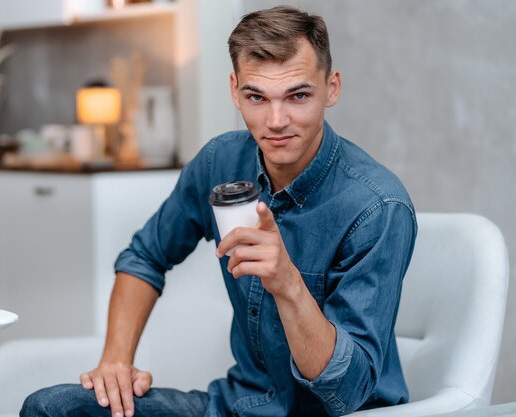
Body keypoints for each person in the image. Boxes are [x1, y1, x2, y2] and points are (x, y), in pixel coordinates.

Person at [21, 5, 417, 417]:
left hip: (335, 414)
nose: (276, 120)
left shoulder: (377, 207)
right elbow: (144, 256)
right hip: (235, 407)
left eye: (298, 96)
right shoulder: (220, 162)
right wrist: (116, 361)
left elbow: (349, 392)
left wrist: (288, 284)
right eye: (256, 97)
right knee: (52, 408)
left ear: (331, 88)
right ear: (235, 90)